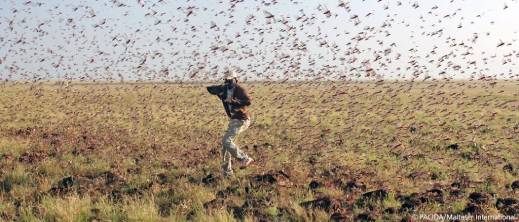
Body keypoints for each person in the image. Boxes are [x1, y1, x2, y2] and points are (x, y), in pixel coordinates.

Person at [218, 69, 254, 177]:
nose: (228, 82)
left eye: (230, 80)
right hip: (234, 120)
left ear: (235, 79)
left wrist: (234, 102)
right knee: (225, 146)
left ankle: (244, 158)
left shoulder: (239, 89)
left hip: (242, 119)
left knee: (226, 140)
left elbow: (248, 101)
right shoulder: (225, 90)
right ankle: (227, 173)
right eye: (226, 80)